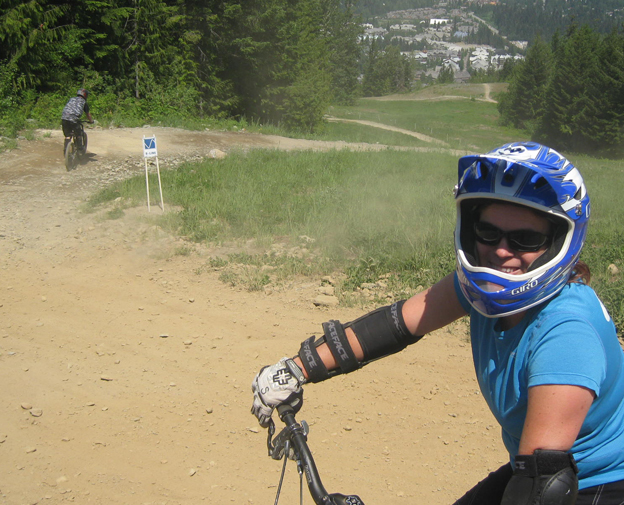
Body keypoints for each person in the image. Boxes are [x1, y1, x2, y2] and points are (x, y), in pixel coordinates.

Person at [251, 141, 624, 505]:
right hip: (532, 469)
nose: (500, 251)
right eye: (488, 232)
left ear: (558, 241)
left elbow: (542, 485)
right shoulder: (480, 289)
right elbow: (395, 325)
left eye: (525, 238)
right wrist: (297, 369)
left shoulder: (566, 336)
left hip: (594, 483)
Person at [61, 88, 93, 154]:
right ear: (85, 95)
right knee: (78, 134)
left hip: (64, 118)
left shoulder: (71, 99)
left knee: (67, 136)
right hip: (74, 119)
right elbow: (88, 114)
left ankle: (65, 150)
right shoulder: (83, 102)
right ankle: (80, 148)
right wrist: (91, 121)